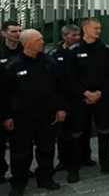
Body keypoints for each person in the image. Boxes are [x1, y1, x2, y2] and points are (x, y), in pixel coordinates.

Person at [3, 29, 67, 196]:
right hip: (22, 118)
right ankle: (18, 184)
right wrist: (7, 116)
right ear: (29, 43)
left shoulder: (49, 62)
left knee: (46, 149)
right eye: (39, 40)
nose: (42, 42)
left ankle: (45, 178)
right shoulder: (13, 65)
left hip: (46, 116)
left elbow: (60, 88)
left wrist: (61, 108)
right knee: (20, 153)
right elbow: (4, 94)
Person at [68, 18, 109, 180]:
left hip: (102, 98)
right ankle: (74, 169)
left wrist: (100, 93)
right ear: (85, 29)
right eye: (95, 28)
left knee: (105, 132)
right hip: (81, 100)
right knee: (77, 134)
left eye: (100, 28)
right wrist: (85, 93)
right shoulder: (74, 50)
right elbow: (70, 78)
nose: (98, 31)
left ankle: (106, 164)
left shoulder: (106, 49)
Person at [48, 24, 81, 174]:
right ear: (64, 36)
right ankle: (63, 160)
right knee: (62, 133)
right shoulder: (55, 53)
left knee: (78, 131)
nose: (77, 38)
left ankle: (79, 159)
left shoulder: (80, 51)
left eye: (78, 35)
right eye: (73, 35)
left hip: (78, 98)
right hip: (61, 98)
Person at [0, 20, 22, 184]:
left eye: (19, 31)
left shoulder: (25, 51)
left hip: (21, 104)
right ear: (4, 33)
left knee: (20, 143)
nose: (17, 34)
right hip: (2, 103)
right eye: (14, 31)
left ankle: (20, 172)